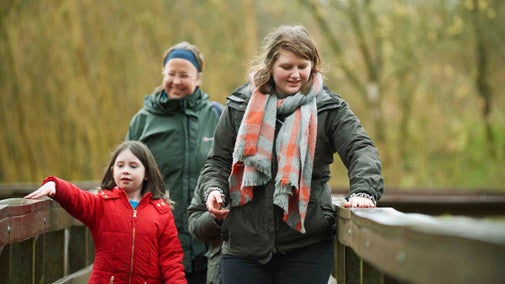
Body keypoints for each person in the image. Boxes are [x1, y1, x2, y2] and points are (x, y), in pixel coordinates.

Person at [195, 25, 384, 284]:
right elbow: (217, 161)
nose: (296, 75)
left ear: (313, 66)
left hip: (307, 244)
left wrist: (363, 191)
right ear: (271, 65)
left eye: (303, 66)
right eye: (287, 67)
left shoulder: (330, 108)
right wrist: (214, 190)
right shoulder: (240, 106)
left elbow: (361, 149)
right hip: (244, 246)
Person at [126, 41, 221, 283]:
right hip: (158, 246)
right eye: (171, 74)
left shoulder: (217, 116)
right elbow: (124, 179)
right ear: (163, 75)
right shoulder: (143, 121)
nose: (176, 81)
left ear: (198, 78)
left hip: (207, 244)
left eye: (184, 75)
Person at [24, 141, 186, 283]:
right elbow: (78, 199)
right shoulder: (102, 204)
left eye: (133, 166)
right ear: (112, 170)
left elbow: (171, 261)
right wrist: (56, 185)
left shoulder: (161, 212)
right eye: (120, 165)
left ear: (147, 174)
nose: (126, 171)